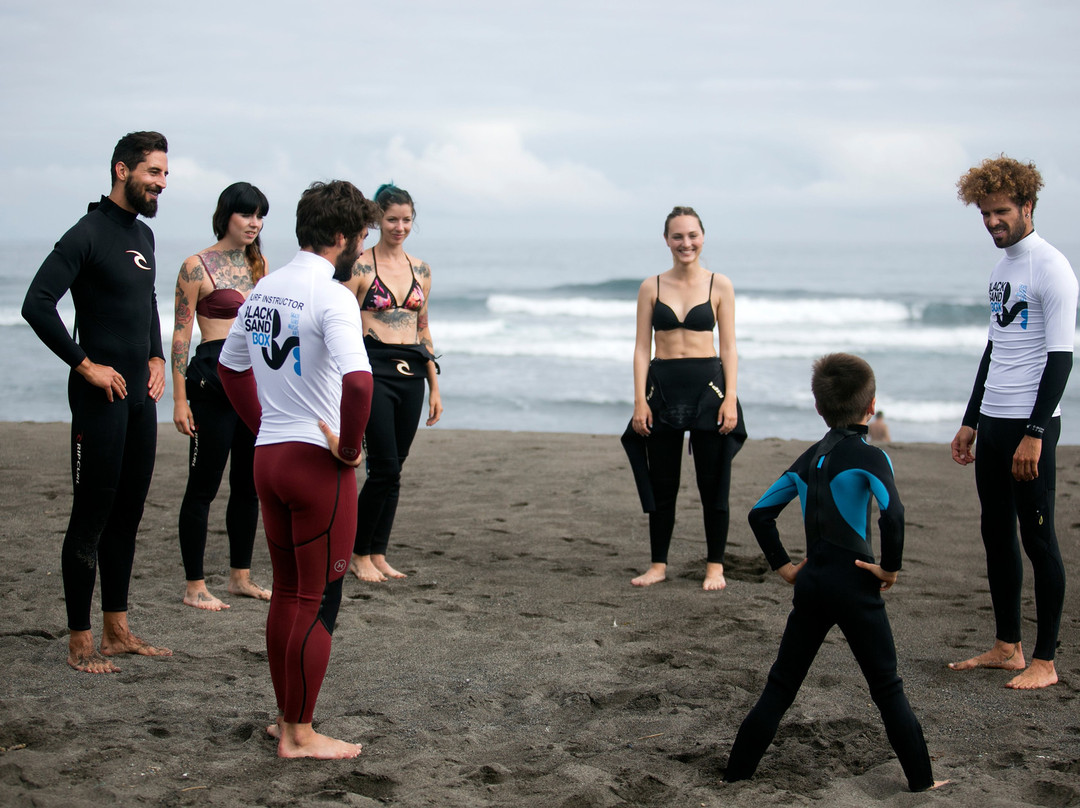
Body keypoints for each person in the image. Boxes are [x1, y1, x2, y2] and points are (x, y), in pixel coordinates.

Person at [725, 353, 944, 793]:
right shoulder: (872, 456)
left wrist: (787, 568)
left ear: (818, 406)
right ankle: (923, 784)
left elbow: (760, 514)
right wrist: (890, 568)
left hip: (813, 584)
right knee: (886, 687)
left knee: (781, 685)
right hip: (856, 583)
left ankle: (736, 773)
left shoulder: (807, 460)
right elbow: (893, 515)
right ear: (872, 405)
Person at [219, 179, 379, 759]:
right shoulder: (331, 295)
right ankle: (301, 733)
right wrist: (350, 448)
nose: (362, 248)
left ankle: (285, 718)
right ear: (340, 236)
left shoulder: (265, 288)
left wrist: (262, 422)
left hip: (269, 458)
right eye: (360, 237)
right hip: (316, 466)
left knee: (288, 592)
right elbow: (359, 382)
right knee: (315, 598)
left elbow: (229, 366)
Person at [22, 131, 173, 674]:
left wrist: (156, 358)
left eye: (164, 175)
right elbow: (36, 303)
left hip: (139, 398)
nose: (160, 183)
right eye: (153, 172)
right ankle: (80, 638)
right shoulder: (86, 233)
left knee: (128, 516)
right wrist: (84, 363)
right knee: (91, 516)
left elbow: (147, 302)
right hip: (98, 401)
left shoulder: (145, 238)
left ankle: (117, 629)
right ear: (121, 170)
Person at [948, 156, 1077, 690]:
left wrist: (1036, 433)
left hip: (1029, 424)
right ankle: (1008, 646)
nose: (992, 222)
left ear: (1027, 206)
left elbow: (1061, 358)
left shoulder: (1051, 268)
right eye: (984, 213)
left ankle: (1045, 660)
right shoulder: (1002, 269)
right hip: (995, 420)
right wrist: (970, 419)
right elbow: (994, 347)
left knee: (1039, 540)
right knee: (995, 534)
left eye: (1001, 211)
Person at [621, 206, 745, 591]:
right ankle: (658, 564)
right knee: (663, 484)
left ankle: (715, 567)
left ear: (702, 237)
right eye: (678, 236)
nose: (685, 243)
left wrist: (730, 399)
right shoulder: (651, 286)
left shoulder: (719, 285)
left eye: (692, 235)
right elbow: (642, 348)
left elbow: (730, 347)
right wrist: (640, 401)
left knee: (714, 482)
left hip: (708, 388)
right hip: (663, 388)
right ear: (666, 240)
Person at [172, 182, 272, 611]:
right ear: (226, 215)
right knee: (203, 487)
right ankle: (195, 585)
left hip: (253, 382)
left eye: (260, 216)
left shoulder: (259, 264)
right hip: (212, 382)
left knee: (248, 487)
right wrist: (178, 401)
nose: (255, 223)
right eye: (247, 214)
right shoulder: (197, 266)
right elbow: (180, 335)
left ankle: (240, 578)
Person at [341, 184, 442, 582]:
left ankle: (378, 552)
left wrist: (434, 385)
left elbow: (424, 328)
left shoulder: (422, 269)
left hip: (413, 373)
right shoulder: (361, 267)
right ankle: (357, 553)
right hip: (373, 370)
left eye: (406, 220)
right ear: (376, 220)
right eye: (391, 220)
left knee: (395, 469)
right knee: (382, 469)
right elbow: (341, 325)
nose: (399, 227)